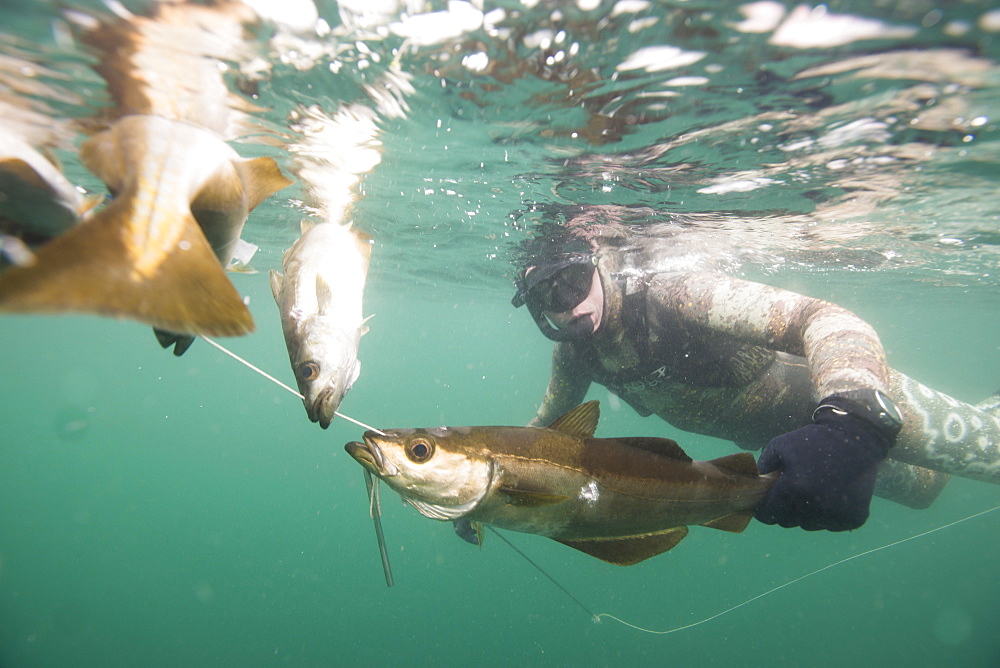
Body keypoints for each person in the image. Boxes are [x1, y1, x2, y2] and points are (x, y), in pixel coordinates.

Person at [507, 221, 1000, 533]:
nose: (569, 307)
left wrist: (851, 425)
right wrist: (488, 484)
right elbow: (547, 425)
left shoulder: (675, 293)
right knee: (925, 491)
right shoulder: (577, 355)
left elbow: (827, 320)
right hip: (790, 449)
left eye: (573, 282)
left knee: (993, 455)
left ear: (598, 262)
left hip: (844, 408)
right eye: (548, 299)